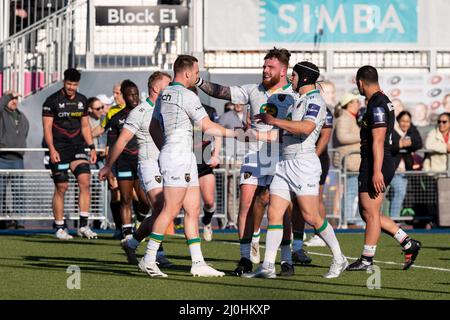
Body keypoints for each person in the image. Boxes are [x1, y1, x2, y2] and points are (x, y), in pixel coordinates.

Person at [242, 61, 348, 279]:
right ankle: (268, 266)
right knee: (274, 212)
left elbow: (306, 128)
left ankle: (339, 258)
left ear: (305, 78)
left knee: (311, 215)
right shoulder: (296, 99)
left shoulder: (315, 100)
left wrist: (275, 121)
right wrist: (264, 128)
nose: (291, 78)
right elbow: (286, 131)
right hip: (284, 162)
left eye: (295, 75)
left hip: (303, 164)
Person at [196, 47, 295, 276]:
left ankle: (287, 258)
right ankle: (245, 258)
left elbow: (293, 130)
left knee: (281, 208)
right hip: (254, 154)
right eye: (264, 66)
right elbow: (221, 91)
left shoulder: (294, 94)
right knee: (246, 203)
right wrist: (199, 80)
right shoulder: (253, 90)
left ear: (283, 70)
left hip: (280, 155)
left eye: (270, 67)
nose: (265, 70)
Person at [139, 55, 238, 278]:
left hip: (182, 156)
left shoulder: (164, 94)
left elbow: (154, 126)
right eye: (196, 72)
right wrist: (241, 134)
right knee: (170, 210)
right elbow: (208, 127)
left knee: (193, 209)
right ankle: (148, 258)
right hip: (178, 157)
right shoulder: (187, 95)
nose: (197, 76)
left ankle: (198, 262)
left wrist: (165, 146)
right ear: (186, 73)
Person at [346, 65, 421, 271]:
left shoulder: (378, 104)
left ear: (361, 82)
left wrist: (376, 170)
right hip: (375, 160)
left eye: (357, 84)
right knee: (367, 212)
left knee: (370, 212)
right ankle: (407, 242)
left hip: (377, 161)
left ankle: (367, 259)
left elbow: (378, 141)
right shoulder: (380, 101)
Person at [99, 72, 173, 267]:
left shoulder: (169, 110)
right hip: (148, 165)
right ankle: (156, 255)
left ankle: (131, 243)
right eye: (169, 84)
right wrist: (108, 166)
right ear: (157, 88)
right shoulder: (139, 112)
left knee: (164, 210)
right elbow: (121, 141)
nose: (172, 87)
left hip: (166, 165)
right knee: (158, 206)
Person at [42, 68, 98, 240]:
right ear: (63, 82)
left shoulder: (82, 101)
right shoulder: (52, 101)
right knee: (62, 187)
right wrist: (51, 149)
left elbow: (85, 126)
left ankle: (83, 225)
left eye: (74, 84)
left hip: (77, 148)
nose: (71, 87)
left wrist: (92, 147)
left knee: (85, 181)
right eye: (68, 84)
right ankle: (59, 228)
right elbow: (47, 128)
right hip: (58, 148)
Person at [102, 80, 149, 240]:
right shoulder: (116, 118)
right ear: (124, 96)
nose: (134, 98)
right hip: (123, 162)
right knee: (125, 199)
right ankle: (127, 234)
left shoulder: (147, 113)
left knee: (145, 201)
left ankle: (140, 220)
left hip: (142, 162)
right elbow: (111, 145)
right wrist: (109, 168)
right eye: (130, 95)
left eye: (136, 94)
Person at [188, 86, 222, 241]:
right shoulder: (179, 113)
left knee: (209, 201)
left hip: (204, 162)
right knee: (190, 206)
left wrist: (215, 155)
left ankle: (207, 221)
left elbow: (217, 133)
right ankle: (192, 237)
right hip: (186, 163)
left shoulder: (208, 111)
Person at [93, 83, 126, 239]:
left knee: (130, 193)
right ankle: (120, 228)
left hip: (129, 157)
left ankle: (135, 223)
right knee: (115, 192)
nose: (115, 96)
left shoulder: (135, 109)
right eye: (114, 93)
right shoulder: (111, 111)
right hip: (113, 159)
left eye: (118, 93)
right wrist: (84, 136)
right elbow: (101, 129)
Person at [299, 107, 333, 249]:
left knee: (317, 198)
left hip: (317, 159)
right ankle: (297, 234)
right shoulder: (297, 106)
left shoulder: (325, 110)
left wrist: (312, 157)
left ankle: (320, 236)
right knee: (293, 199)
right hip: (297, 159)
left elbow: (325, 137)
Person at [332, 93, 362, 226]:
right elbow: (342, 137)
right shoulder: (344, 118)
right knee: (350, 191)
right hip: (348, 161)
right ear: (347, 104)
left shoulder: (349, 118)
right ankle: (349, 219)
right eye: (354, 102)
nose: (358, 104)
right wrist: (363, 135)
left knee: (352, 190)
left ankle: (352, 219)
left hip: (351, 160)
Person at [0, 91, 29, 229]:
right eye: (11, 99)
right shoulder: (2, 113)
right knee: (1, 191)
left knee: (18, 191)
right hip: (2, 158)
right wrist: (7, 95)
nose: (14, 101)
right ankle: (2, 219)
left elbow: (24, 132)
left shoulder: (22, 116)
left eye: (16, 98)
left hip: (17, 159)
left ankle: (20, 222)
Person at [218, 102, 247, 229]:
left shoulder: (250, 116)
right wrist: (219, 153)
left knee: (245, 191)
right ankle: (231, 220)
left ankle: (243, 218)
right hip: (231, 159)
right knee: (231, 189)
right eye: (235, 102)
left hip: (247, 159)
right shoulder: (226, 116)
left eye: (241, 102)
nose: (238, 104)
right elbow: (216, 132)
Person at [389, 111, 422, 218]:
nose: (405, 124)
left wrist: (409, 143)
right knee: (399, 192)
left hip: (405, 170)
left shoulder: (412, 130)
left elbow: (419, 143)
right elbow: (387, 148)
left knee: (398, 194)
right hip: (392, 169)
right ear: (398, 121)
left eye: (408, 121)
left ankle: (394, 219)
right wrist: (399, 144)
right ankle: (393, 220)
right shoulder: (391, 131)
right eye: (403, 121)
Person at [87, 97, 107, 169]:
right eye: (98, 109)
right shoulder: (84, 121)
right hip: (88, 155)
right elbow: (83, 136)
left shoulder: (105, 119)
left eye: (102, 107)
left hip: (103, 157)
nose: (101, 110)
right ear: (90, 109)